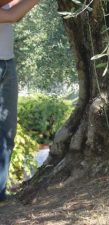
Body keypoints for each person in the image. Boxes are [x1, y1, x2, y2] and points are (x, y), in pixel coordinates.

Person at [0, 0, 38, 202]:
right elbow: (12, 15)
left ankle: (0, 194)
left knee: (7, 132)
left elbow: (18, 13)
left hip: (7, 65)